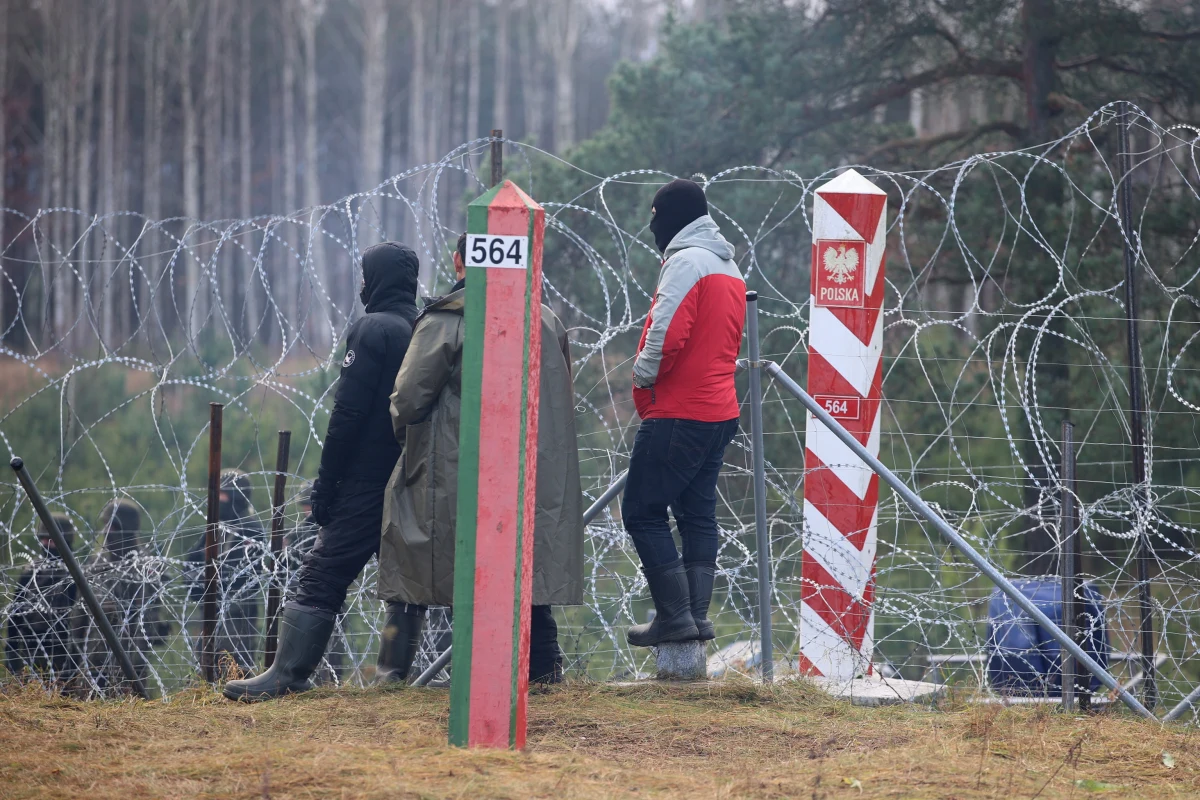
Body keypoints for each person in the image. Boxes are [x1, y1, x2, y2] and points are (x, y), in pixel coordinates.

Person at [377, 232, 585, 684]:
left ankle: (393, 674)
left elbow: (407, 401)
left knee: (426, 557)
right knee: (524, 570)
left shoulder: (446, 320)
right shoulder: (545, 319)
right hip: (531, 470)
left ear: (459, 261)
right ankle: (544, 673)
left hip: (453, 471)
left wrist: (413, 444)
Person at [224, 241, 421, 701]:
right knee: (404, 577)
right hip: (411, 474)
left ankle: (287, 674)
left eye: (365, 276)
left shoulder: (373, 329)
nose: (361, 284)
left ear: (377, 280)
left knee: (322, 574)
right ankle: (393, 678)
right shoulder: (422, 328)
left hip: (365, 477)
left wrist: (327, 483)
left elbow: (348, 414)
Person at [620, 179, 745, 647]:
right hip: (719, 410)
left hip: (680, 412)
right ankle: (695, 618)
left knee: (642, 512)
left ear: (671, 217)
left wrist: (641, 376)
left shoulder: (686, 262)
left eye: (655, 218)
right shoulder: (728, 266)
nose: (653, 229)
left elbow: (666, 333)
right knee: (696, 515)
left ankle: (675, 617)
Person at [72, 500, 171, 696]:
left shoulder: (145, 566)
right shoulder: (97, 561)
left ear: (128, 529)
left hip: (129, 656)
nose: (107, 531)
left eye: (114, 526)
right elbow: (80, 610)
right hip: (94, 652)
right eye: (106, 525)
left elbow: (148, 620)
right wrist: (75, 651)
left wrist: (134, 668)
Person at [5, 514, 80, 682]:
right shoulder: (32, 571)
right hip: (31, 646)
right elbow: (16, 611)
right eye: (43, 539)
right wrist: (12, 648)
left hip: (62, 649)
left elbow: (80, 619)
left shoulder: (75, 574)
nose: (46, 544)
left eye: (51, 540)